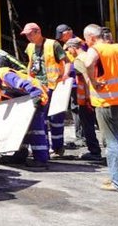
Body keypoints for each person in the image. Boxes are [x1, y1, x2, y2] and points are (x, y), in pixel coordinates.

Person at [77, 23, 118, 192]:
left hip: (106, 102)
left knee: (112, 143)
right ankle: (116, 176)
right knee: (117, 139)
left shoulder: (96, 49)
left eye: (86, 39)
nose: (86, 42)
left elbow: (88, 63)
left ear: (91, 37)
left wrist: (93, 81)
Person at [0, 62, 51, 168]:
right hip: (25, 101)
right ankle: (20, 155)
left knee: (35, 130)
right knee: (21, 128)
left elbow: (24, 84)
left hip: (37, 96)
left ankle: (41, 160)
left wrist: (35, 95)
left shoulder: (6, 75)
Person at [22, 22, 68, 156]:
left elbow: (66, 61)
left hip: (54, 86)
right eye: (26, 35)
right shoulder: (30, 47)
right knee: (41, 119)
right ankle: (45, 148)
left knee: (55, 118)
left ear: (38, 32)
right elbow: (31, 64)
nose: (28, 38)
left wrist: (65, 76)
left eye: (30, 34)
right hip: (38, 86)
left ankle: (58, 147)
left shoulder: (53, 44)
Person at [62, 36, 102, 160]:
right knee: (102, 125)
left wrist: (88, 99)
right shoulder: (89, 56)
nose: (69, 53)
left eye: (69, 49)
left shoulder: (79, 60)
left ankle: (94, 152)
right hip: (98, 97)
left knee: (88, 126)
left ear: (73, 48)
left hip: (86, 100)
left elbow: (86, 80)